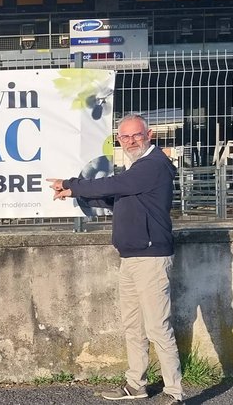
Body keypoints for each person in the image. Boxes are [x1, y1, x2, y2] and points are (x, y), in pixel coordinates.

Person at [47, 114, 183, 405]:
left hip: (151, 257)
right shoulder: (135, 169)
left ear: (150, 134)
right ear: (118, 139)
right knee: (133, 326)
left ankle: (174, 392)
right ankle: (136, 385)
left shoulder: (153, 165)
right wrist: (75, 193)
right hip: (131, 257)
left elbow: (114, 186)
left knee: (158, 327)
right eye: (125, 137)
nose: (131, 141)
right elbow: (114, 197)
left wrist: (71, 183)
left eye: (136, 135)